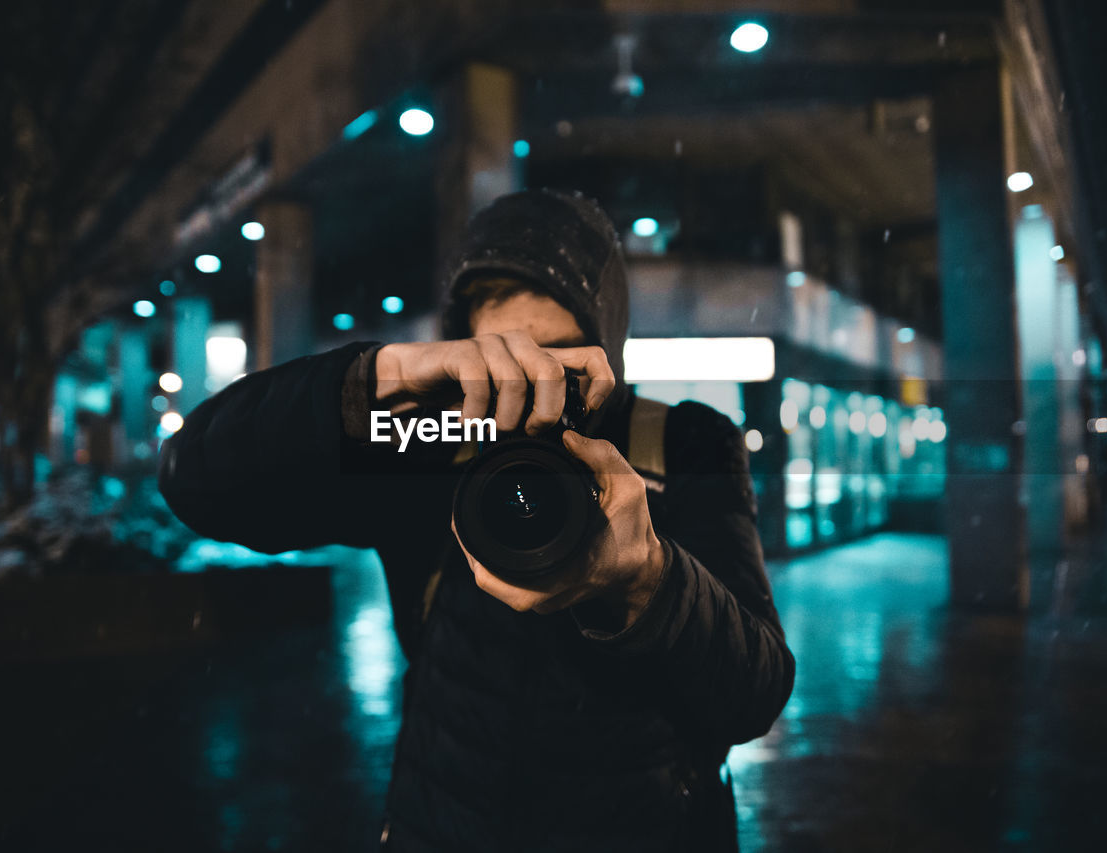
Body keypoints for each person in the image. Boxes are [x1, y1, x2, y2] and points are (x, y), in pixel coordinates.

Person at [158, 189, 795, 852]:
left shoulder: (683, 444)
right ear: (461, 354)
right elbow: (195, 482)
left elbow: (754, 690)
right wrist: (373, 381)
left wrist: (651, 580)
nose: (533, 390)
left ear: (607, 349)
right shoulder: (429, 452)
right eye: (502, 363)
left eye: (559, 362)